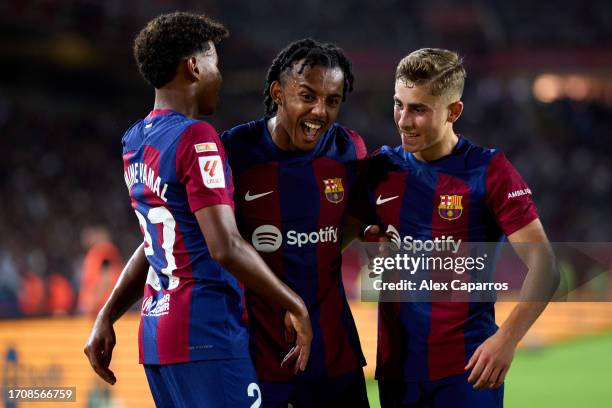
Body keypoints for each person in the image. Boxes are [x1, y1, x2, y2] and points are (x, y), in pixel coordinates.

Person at [83, 12, 312, 408]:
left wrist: (107, 314)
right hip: (205, 334)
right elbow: (224, 246)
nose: (218, 76)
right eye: (214, 64)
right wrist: (295, 304)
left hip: (158, 339)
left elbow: (156, 240)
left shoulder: (134, 140)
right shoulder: (197, 137)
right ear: (193, 66)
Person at [364, 48, 558, 407]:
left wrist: (506, 340)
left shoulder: (490, 170)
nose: (404, 120)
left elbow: (545, 265)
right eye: (398, 104)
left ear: (454, 111)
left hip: (468, 372)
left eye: (419, 109)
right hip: (397, 373)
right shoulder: (379, 169)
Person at [221, 38, 369, 407]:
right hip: (259, 357)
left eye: (332, 101)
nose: (320, 111)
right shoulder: (235, 152)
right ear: (278, 92)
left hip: (334, 353)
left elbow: (349, 228)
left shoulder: (349, 150)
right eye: (308, 96)